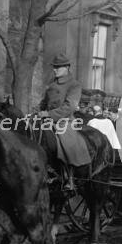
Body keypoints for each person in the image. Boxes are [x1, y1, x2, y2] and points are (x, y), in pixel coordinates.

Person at [38, 53, 91, 190]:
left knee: (65, 140)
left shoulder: (74, 85)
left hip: (64, 121)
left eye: (58, 67)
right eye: (54, 67)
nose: (55, 70)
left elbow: (69, 106)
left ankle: (69, 177)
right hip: (46, 119)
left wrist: (49, 114)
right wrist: (38, 111)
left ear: (67, 67)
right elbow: (44, 102)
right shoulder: (51, 85)